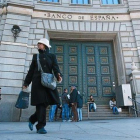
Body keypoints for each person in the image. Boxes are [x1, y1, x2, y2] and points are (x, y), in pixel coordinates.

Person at [23, 38, 62, 134]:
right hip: (37, 83)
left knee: (48, 102)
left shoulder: (52, 56)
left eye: (39, 44)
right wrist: (26, 83)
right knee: (40, 104)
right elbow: (31, 71)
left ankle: (32, 119)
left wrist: (58, 75)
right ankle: (40, 126)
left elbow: (55, 67)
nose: (38, 45)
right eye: (38, 44)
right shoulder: (35, 57)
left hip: (48, 83)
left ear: (44, 45)